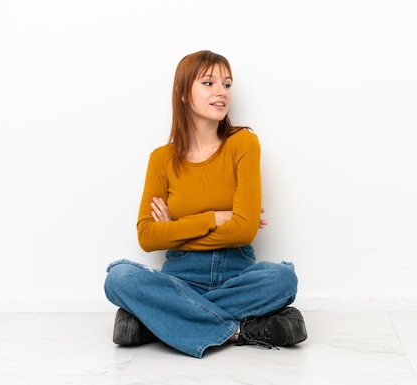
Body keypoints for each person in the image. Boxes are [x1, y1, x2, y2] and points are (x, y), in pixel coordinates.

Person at [103, 50, 307, 359]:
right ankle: (238, 330)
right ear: (184, 93)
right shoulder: (161, 159)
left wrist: (174, 228)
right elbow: (147, 237)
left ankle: (157, 321)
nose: (221, 92)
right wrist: (215, 217)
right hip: (180, 277)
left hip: (236, 275)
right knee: (119, 278)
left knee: (282, 279)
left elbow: (244, 231)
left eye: (227, 84)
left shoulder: (243, 143)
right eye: (209, 83)